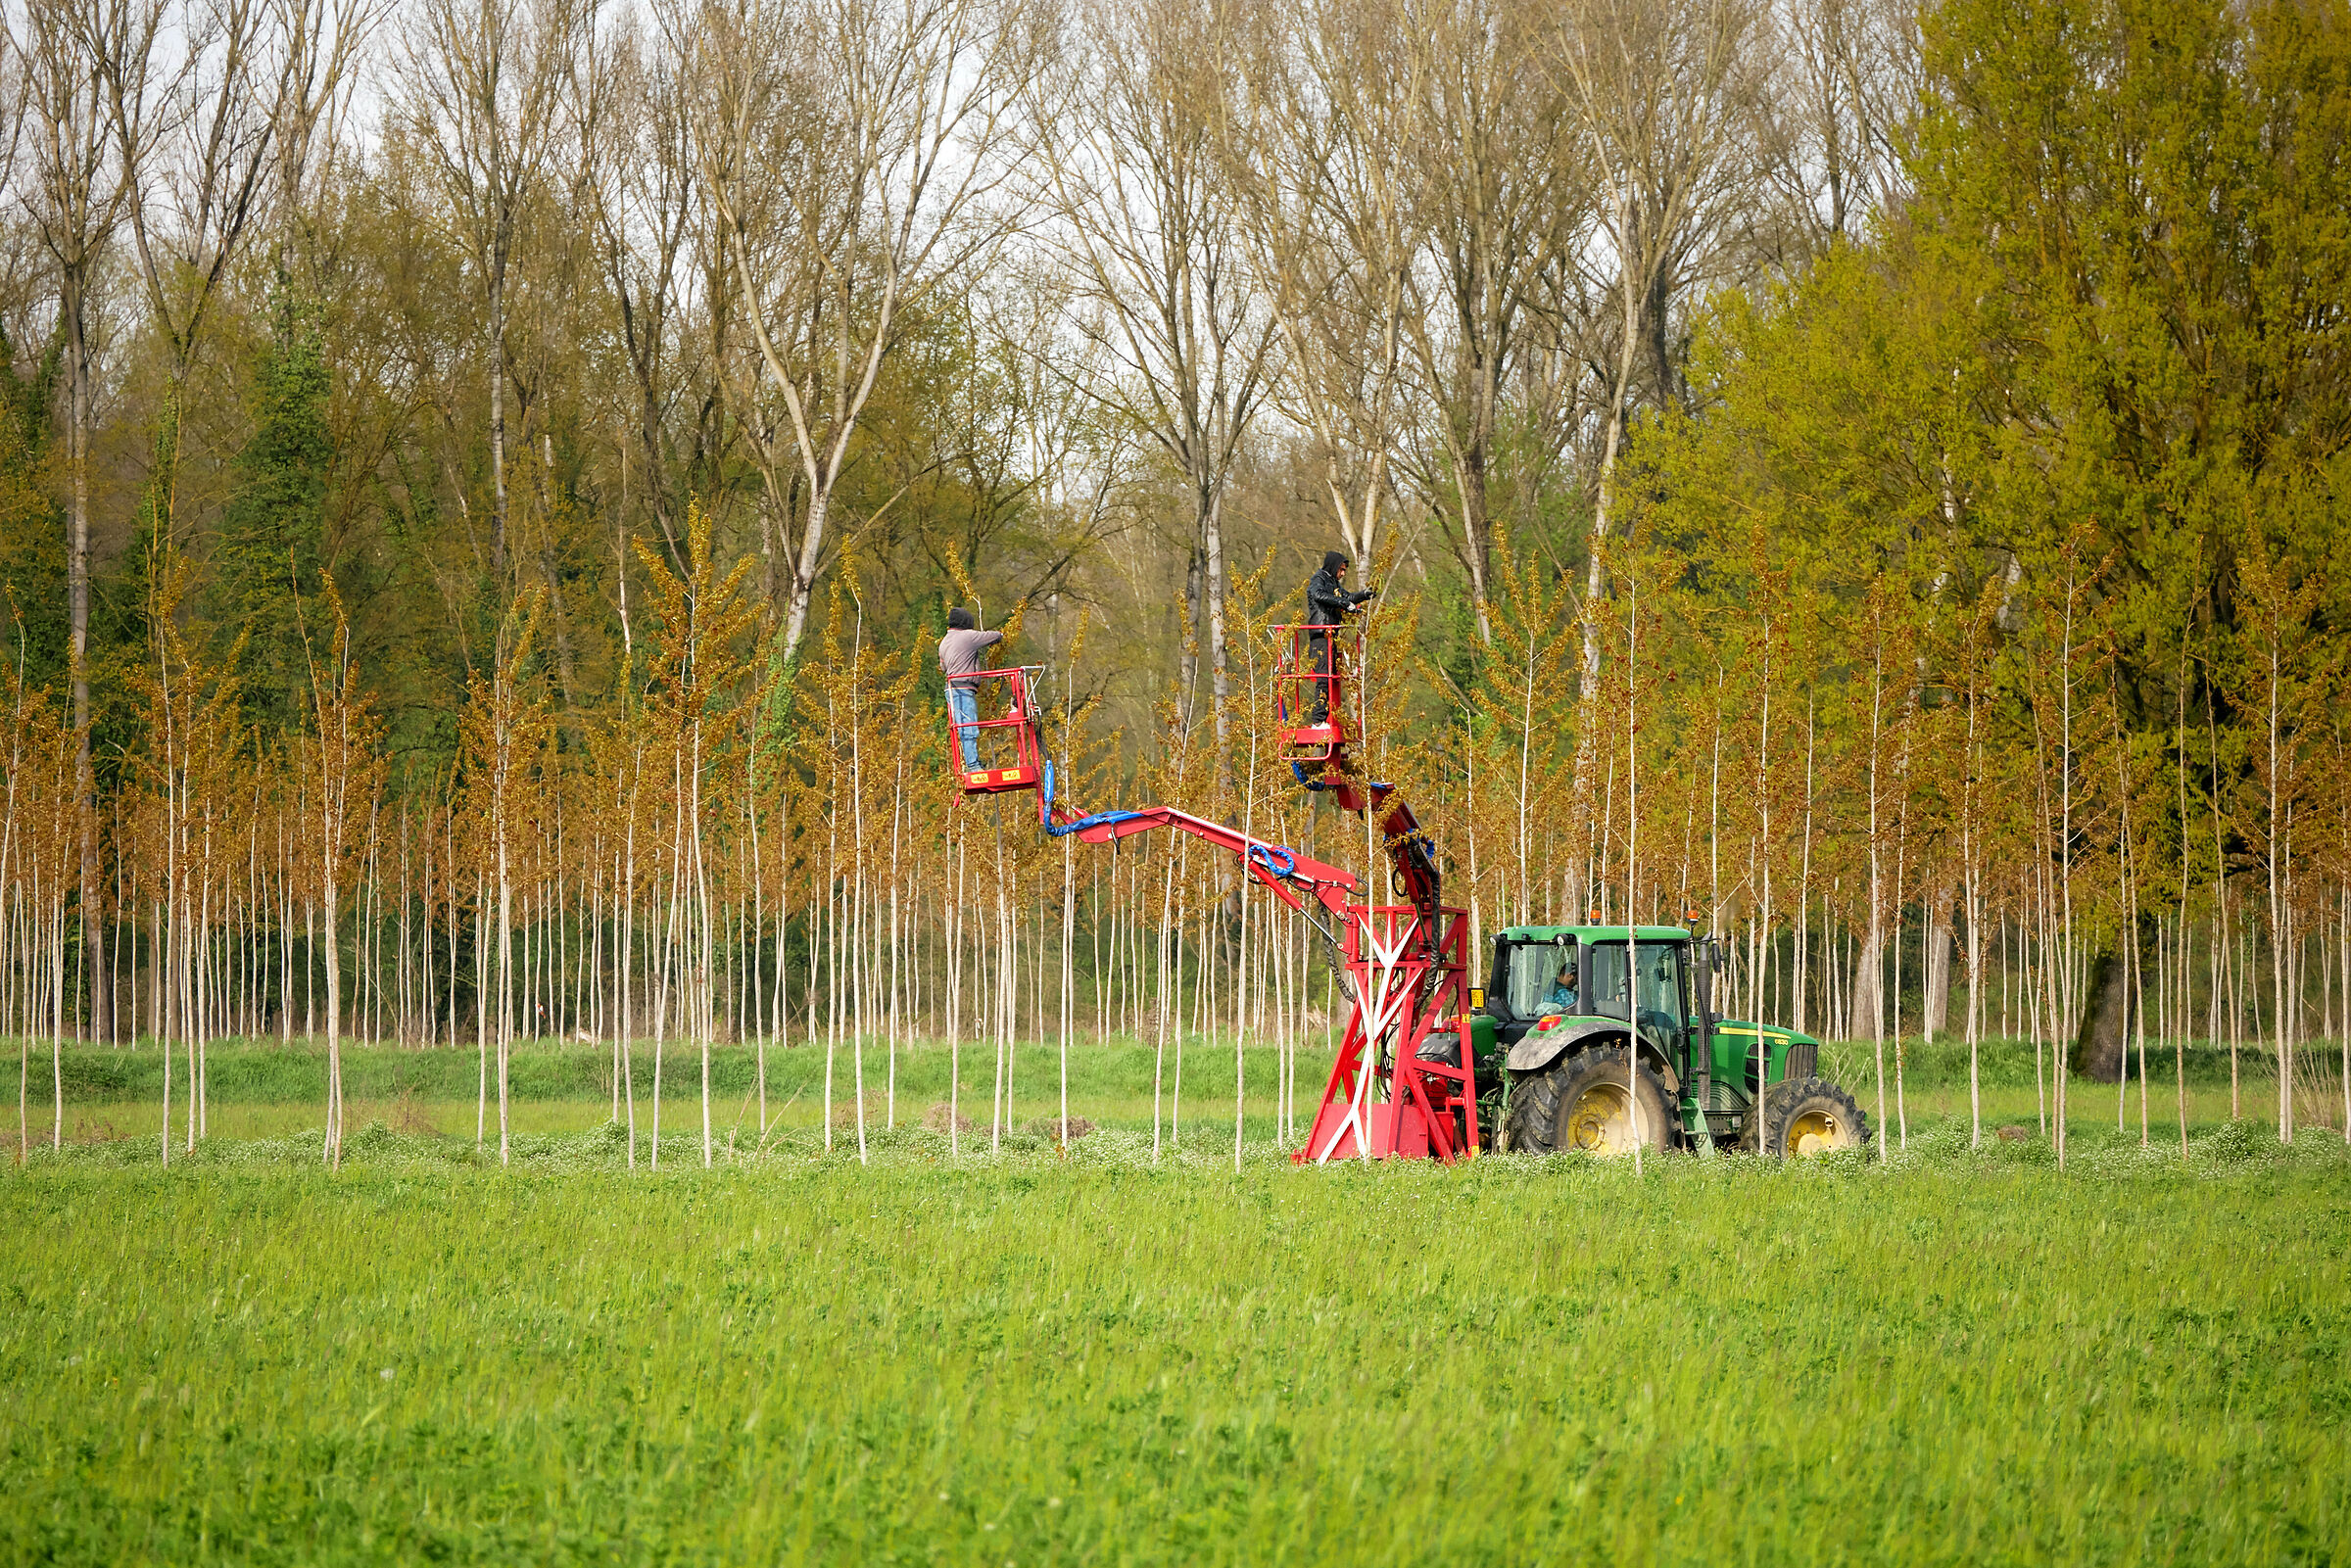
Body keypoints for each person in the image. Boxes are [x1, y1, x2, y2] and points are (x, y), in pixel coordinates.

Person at [1302, 550, 1374, 723]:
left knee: (1331, 678)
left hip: (1331, 635)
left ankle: (1325, 719)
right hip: (1320, 635)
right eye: (1341, 570)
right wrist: (1343, 603)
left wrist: (1364, 595)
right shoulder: (1317, 580)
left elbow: (1347, 597)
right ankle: (1318, 721)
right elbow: (1318, 595)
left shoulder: (1332, 582)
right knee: (1323, 678)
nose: (1343, 574)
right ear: (1334, 566)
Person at [938, 607, 1003, 769]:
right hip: (962, 689)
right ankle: (973, 765)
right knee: (969, 727)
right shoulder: (967, 636)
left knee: (963, 726)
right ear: (966, 623)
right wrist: (1001, 635)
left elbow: (943, 667)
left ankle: (971, 762)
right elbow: (991, 636)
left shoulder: (944, 641)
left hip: (952, 689)